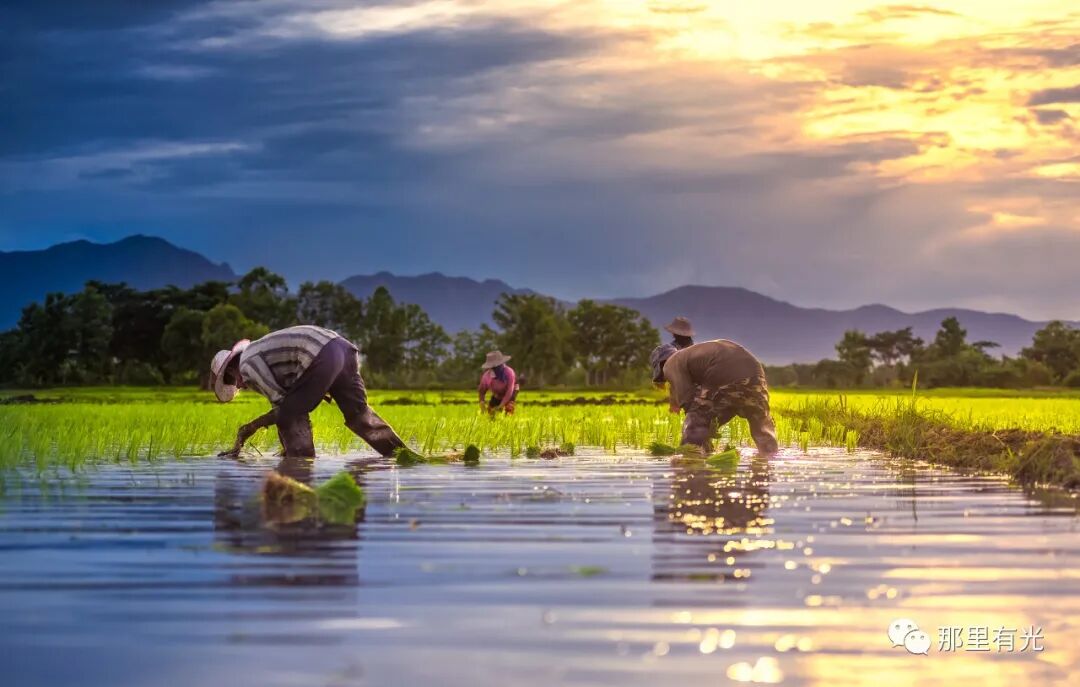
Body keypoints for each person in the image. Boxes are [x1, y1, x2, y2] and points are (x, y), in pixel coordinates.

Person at [209, 325, 405, 458]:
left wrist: (248, 430)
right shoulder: (262, 351)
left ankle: (300, 463)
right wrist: (285, 446)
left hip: (321, 355)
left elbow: (284, 409)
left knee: (289, 414)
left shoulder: (247, 363)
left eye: (233, 381)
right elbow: (288, 403)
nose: (240, 386)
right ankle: (401, 455)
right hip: (343, 349)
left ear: (233, 369)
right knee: (360, 415)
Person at [651, 337, 779, 455]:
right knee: (762, 428)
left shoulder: (671, 362)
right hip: (756, 375)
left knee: (695, 423)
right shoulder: (693, 356)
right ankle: (768, 461)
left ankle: (690, 465)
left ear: (661, 364)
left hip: (724, 374)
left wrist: (695, 429)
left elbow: (687, 398)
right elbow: (717, 401)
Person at [478, 350, 518, 416]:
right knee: (491, 413)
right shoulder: (486, 376)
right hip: (497, 393)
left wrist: (500, 406)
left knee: (508, 410)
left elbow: (509, 392)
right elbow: (481, 391)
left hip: (512, 391)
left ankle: (508, 417)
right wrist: (482, 405)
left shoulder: (509, 372)